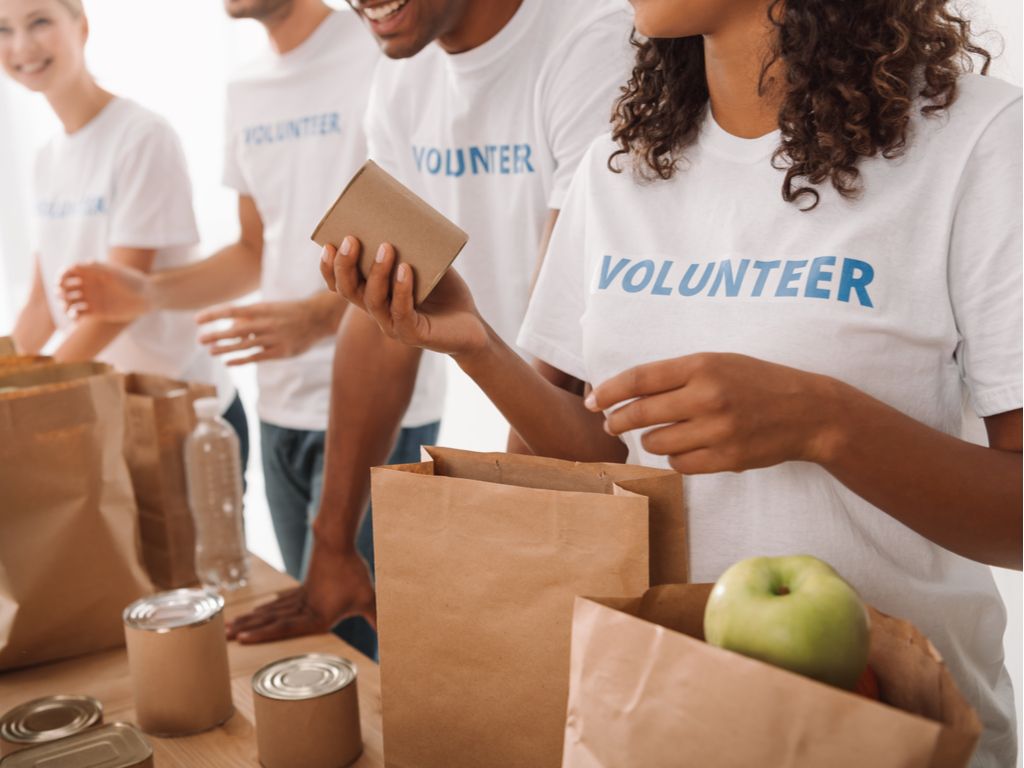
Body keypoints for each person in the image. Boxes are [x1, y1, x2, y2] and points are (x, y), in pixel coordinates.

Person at [322, 0, 1022, 764]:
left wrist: (825, 424)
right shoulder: (619, 165)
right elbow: (592, 459)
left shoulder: (981, 141)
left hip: (887, 729)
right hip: (656, 721)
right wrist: (477, 345)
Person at [223, 0, 634, 643]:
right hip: (542, 458)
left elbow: (559, 355)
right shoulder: (402, 77)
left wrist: (508, 564)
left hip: (620, 474)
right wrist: (331, 546)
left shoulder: (590, 40)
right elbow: (382, 324)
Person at [55, 0, 443, 660]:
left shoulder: (385, 46)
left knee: (374, 650)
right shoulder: (246, 88)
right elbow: (253, 251)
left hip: (382, 399)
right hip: (279, 406)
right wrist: (149, 292)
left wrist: (319, 319)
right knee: (323, 646)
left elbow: (424, 226)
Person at [0, 0, 248, 460]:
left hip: (185, 412)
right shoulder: (46, 159)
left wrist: (25, 396)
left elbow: (117, 306)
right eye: (3, 30)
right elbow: (42, 306)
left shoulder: (140, 137)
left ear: (82, 26)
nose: (22, 46)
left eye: (39, 21)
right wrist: (7, 375)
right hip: (111, 408)